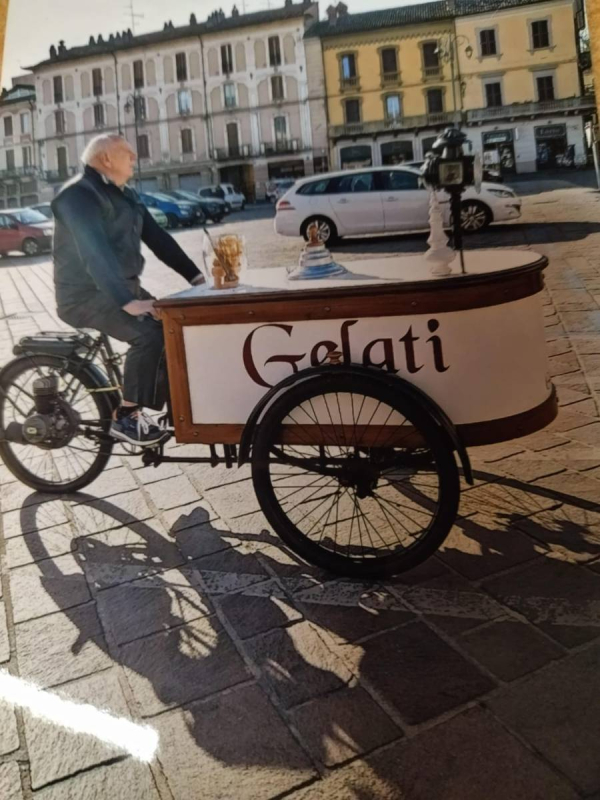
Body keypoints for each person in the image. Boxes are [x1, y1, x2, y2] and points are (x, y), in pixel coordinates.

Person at [52, 133, 205, 446]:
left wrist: (197, 278)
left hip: (122, 288)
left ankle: (170, 410)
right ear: (106, 159)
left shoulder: (127, 196)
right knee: (149, 333)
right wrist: (126, 301)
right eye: (128, 154)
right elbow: (94, 253)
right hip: (83, 296)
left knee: (173, 324)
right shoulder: (78, 196)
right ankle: (126, 417)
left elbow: (159, 239)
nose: (135, 159)